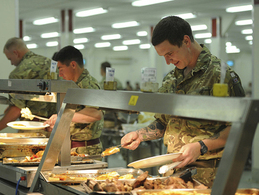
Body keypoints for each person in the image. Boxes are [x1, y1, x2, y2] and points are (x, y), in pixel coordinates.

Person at [121, 16, 245, 187]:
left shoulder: (220, 75)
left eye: (169, 53)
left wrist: (201, 146)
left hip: (209, 174)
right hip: (174, 171)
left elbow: (239, 128)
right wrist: (140, 135)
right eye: (163, 56)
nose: (167, 61)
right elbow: (164, 122)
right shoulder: (172, 78)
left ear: (186, 41)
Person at [44, 45, 104, 156]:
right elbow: (76, 116)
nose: (60, 74)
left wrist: (62, 117)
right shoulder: (72, 85)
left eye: (61, 69)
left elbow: (95, 114)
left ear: (72, 65)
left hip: (85, 150)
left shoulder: (88, 84)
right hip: (71, 146)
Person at [0, 37, 57, 131]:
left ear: (16, 53)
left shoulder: (17, 73)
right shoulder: (51, 63)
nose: (11, 63)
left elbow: (16, 110)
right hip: (53, 127)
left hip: (32, 128)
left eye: (10, 59)